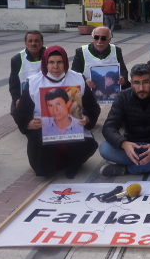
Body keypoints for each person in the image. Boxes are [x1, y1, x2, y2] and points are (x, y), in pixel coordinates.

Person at [13, 46, 100, 178]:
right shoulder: (34, 82)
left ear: (65, 62)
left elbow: (93, 107)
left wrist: (87, 119)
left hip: (72, 128)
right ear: (45, 63)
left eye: (60, 62)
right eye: (51, 62)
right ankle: (47, 168)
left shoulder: (78, 79)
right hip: (43, 131)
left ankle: (72, 164)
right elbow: (20, 112)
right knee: (40, 147)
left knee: (86, 144)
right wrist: (29, 123)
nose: (55, 67)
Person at [99, 64, 150, 176]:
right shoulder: (122, 97)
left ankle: (127, 170)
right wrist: (123, 143)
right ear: (131, 83)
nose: (141, 88)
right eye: (136, 83)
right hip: (131, 146)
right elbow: (109, 127)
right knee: (104, 148)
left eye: (145, 82)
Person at [71, 26, 130, 92]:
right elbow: (74, 75)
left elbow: (123, 71)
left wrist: (123, 79)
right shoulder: (81, 51)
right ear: (92, 38)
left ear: (109, 39)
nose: (99, 41)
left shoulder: (116, 50)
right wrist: (84, 81)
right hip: (87, 92)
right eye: (96, 37)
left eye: (103, 38)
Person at [8, 30, 45, 114]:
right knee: (15, 110)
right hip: (26, 97)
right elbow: (14, 85)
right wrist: (17, 99)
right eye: (30, 41)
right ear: (25, 43)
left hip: (46, 96)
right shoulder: (17, 59)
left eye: (37, 41)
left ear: (42, 43)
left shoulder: (50, 55)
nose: (33, 43)